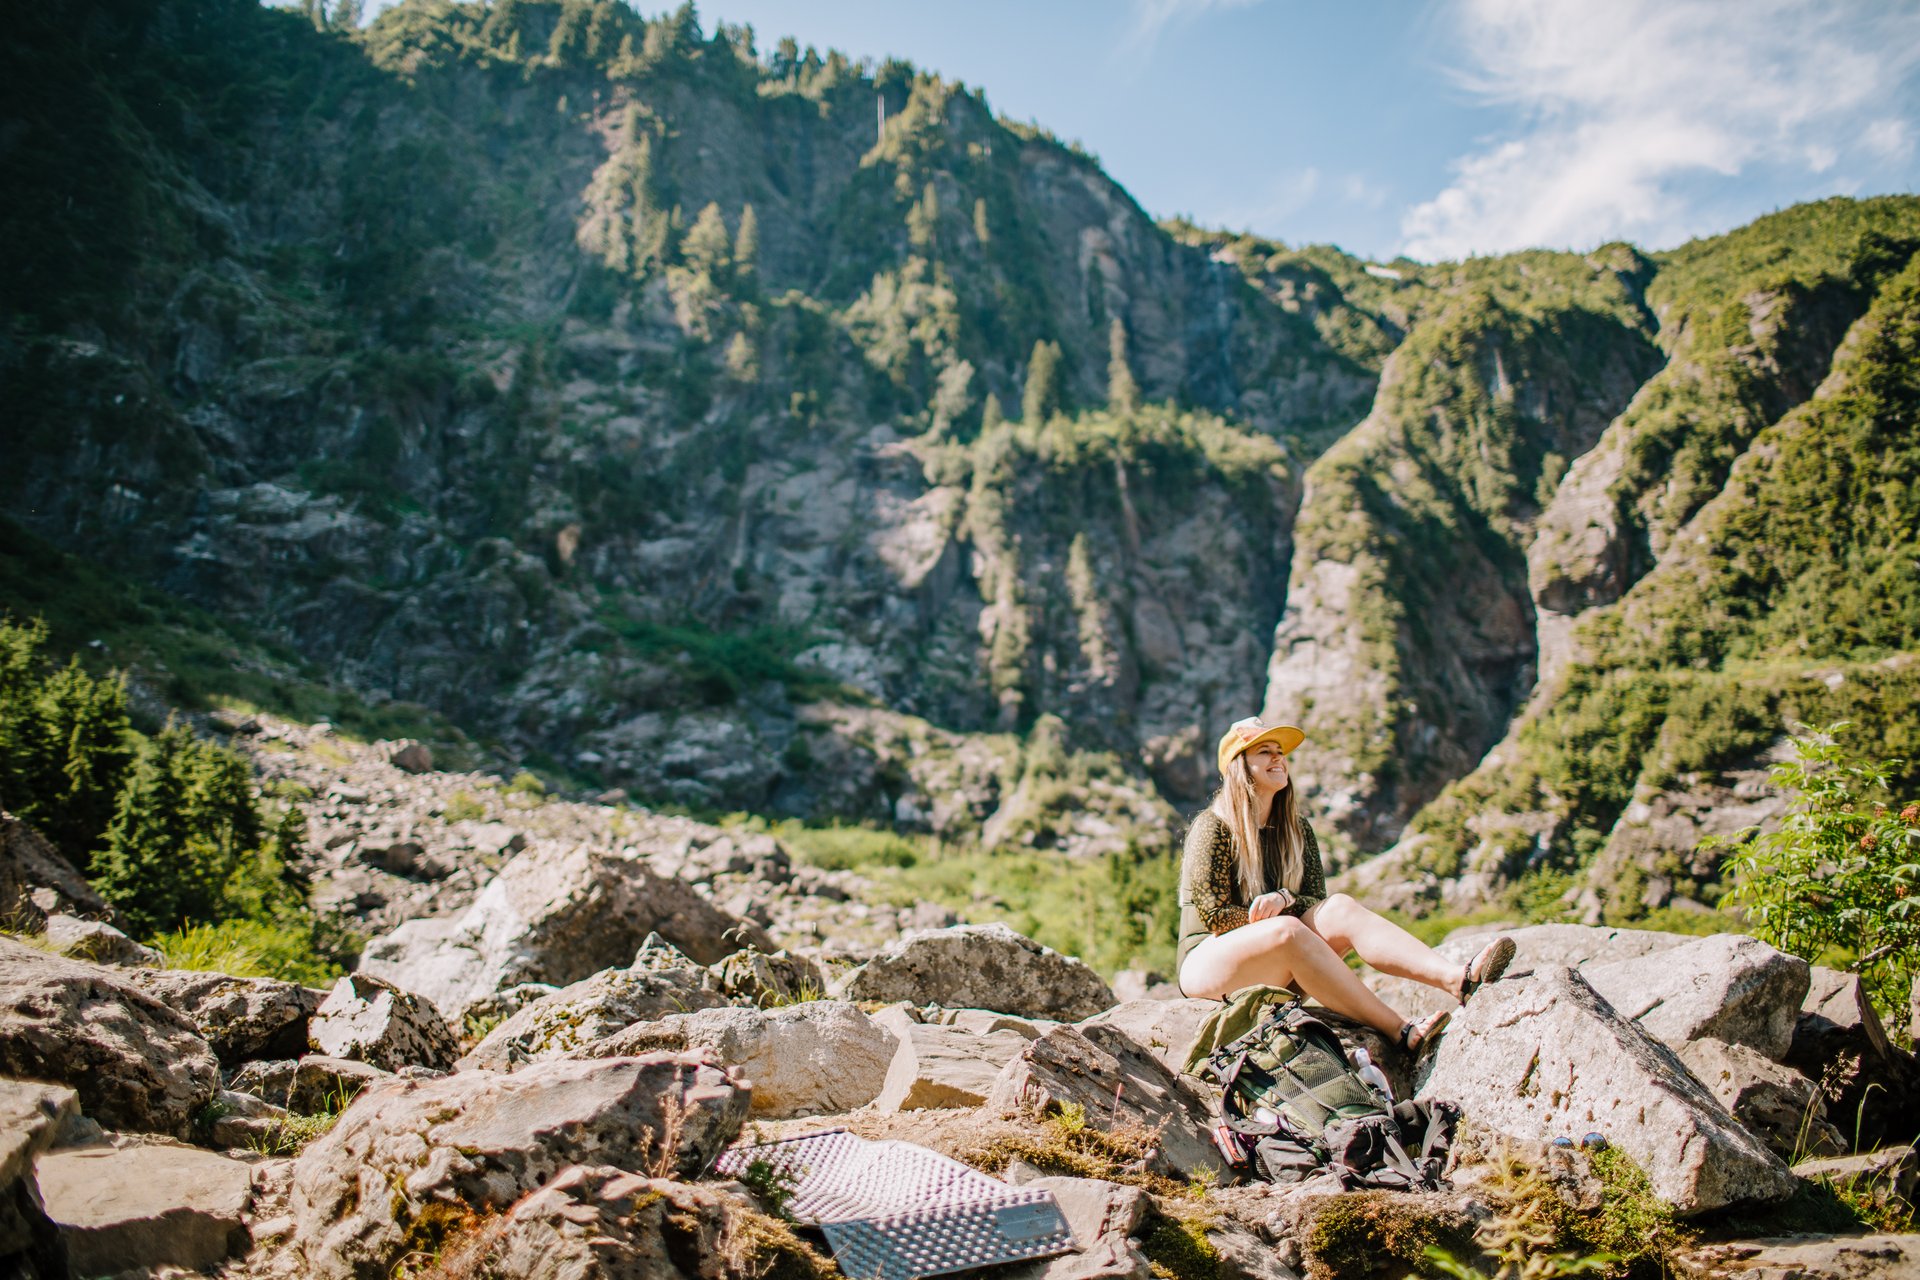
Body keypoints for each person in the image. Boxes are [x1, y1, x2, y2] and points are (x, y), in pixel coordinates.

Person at [1176, 716, 1515, 1052]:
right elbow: (1215, 916)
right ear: (1239, 766)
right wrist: (1275, 917)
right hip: (1207, 965)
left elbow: (1316, 901)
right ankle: (1400, 1030)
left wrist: (1284, 899)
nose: (1278, 757)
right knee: (1287, 930)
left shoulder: (1297, 830)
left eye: (1279, 751)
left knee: (1339, 908)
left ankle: (1457, 979)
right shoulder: (1213, 827)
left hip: (1279, 960)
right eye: (1264, 751)